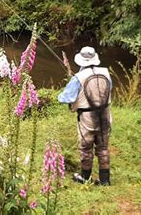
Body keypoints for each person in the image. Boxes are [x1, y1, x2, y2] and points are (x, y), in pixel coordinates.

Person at [58, 46, 112, 185]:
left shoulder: (78, 78)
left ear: (81, 61)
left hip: (87, 118)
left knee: (86, 147)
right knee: (103, 147)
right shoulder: (106, 72)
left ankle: (85, 177)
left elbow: (65, 98)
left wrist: (63, 93)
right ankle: (105, 180)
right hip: (105, 114)